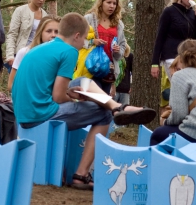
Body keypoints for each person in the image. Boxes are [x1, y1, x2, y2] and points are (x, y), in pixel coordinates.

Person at [12, 12, 155, 189]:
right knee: (103, 115)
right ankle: (81, 174)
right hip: (39, 115)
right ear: (77, 36)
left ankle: (118, 106)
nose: (86, 44)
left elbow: (47, 88)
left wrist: (71, 93)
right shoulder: (69, 51)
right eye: (86, 38)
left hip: (23, 114)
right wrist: (76, 100)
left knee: (81, 82)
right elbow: (58, 97)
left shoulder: (41, 48)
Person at [151, 0, 196, 79]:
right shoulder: (169, 12)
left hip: (188, 57)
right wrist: (154, 63)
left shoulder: (192, 13)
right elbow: (160, 38)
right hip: (172, 56)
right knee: (179, 85)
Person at [84, 0, 127, 93]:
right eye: (108, 2)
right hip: (91, 66)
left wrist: (117, 50)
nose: (111, 6)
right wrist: (92, 42)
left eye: (114, 3)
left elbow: (122, 46)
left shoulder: (118, 24)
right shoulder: (89, 19)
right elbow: (77, 39)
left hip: (109, 69)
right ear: (101, 3)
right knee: (93, 100)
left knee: (104, 100)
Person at [7, 15, 60, 91]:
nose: (53, 35)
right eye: (49, 31)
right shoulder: (25, 52)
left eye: (57, 32)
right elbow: (11, 85)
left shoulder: (63, 55)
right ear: (40, 32)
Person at [5, 0, 49, 65]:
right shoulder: (20, 11)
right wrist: (10, 56)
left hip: (37, 57)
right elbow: (12, 34)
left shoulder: (45, 15)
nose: (41, 0)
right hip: (20, 56)